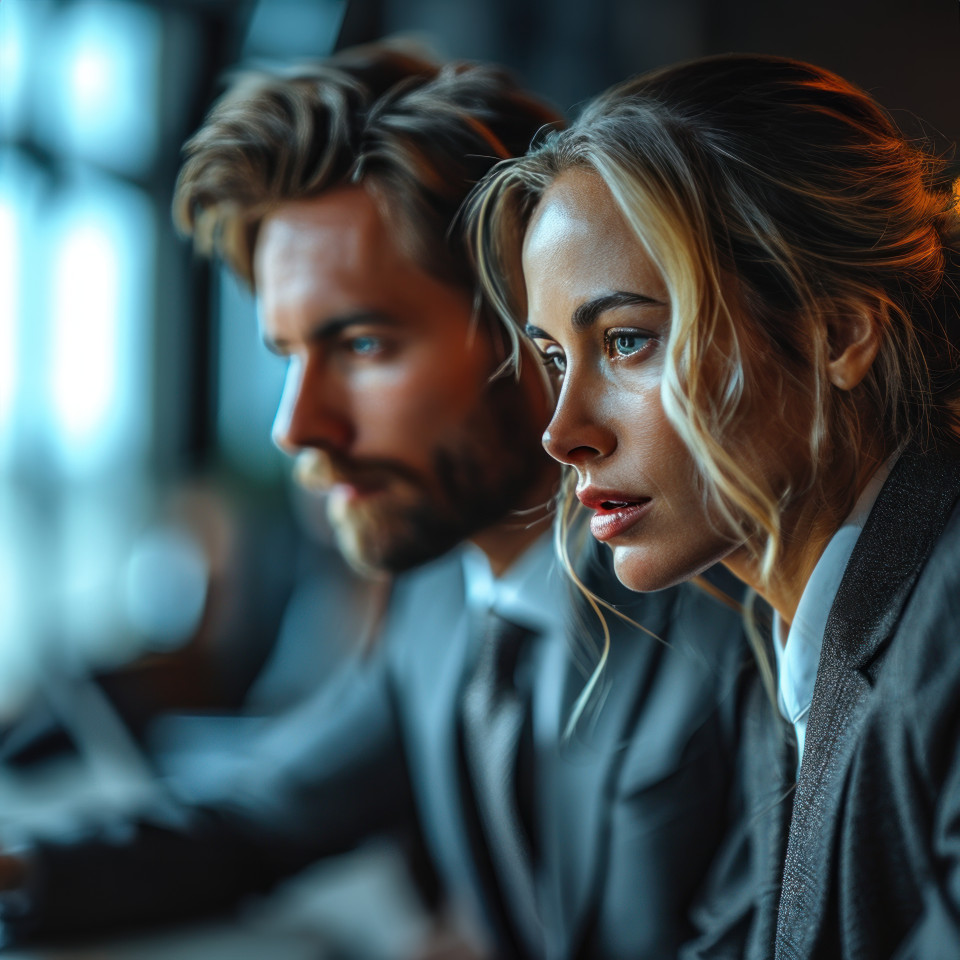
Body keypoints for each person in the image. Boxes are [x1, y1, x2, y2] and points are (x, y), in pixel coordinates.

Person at [0, 45, 748, 959]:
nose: (297, 426)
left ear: (534, 330)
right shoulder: (443, 606)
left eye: (359, 346)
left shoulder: (734, 612)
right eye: (288, 355)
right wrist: (18, 870)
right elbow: (258, 821)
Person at [469, 51, 960, 959]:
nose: (562, 432)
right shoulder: (780, 644)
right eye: (552, 358)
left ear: (838, 332)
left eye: (625, 341)